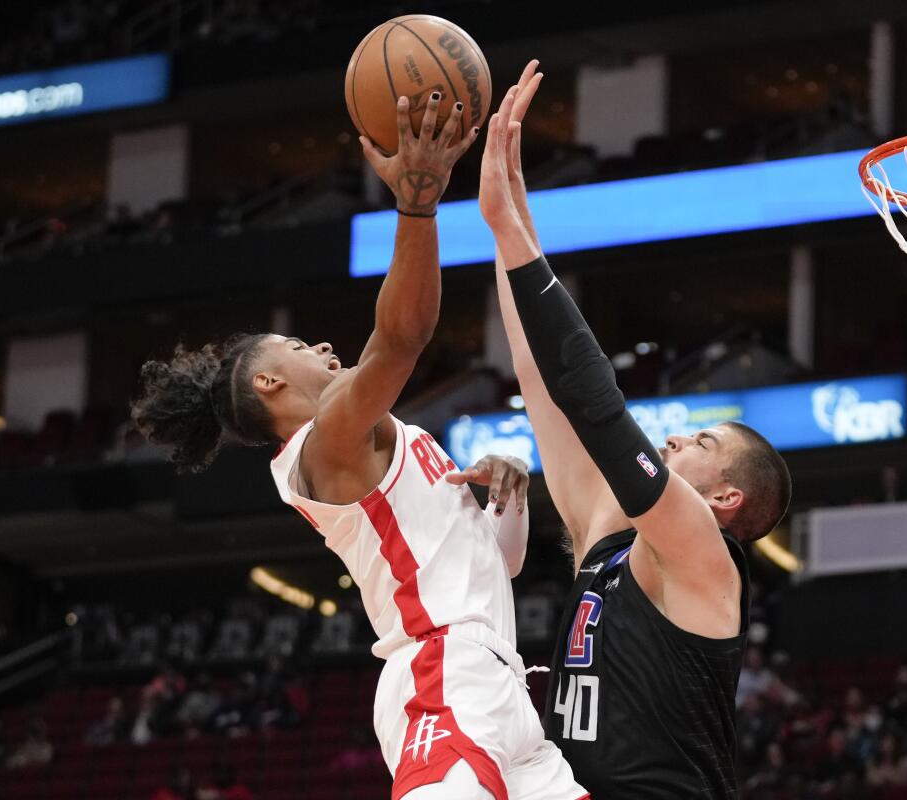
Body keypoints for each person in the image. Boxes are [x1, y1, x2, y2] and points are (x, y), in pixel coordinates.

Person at [133, 94, 585, 800]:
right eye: (297, 344)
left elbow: (491, 569)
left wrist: (509, 499)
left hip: (497, 678)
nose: (322, 345)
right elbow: (402, 337)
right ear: (271, 381)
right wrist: (418, 202)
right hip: (441, 677)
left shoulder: (384, 441)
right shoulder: (325, 443)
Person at [479, 61, 792, 799]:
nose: (680, 438)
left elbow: (598, 404)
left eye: (704, 446)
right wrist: (508, 213)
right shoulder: (608, 536)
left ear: (725, 502)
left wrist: (511, 236)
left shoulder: (705, 561)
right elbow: (541, 377)